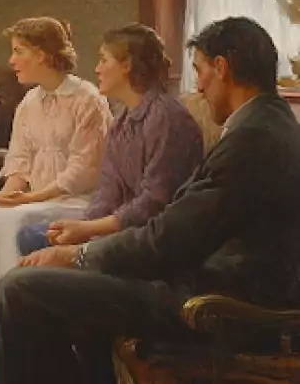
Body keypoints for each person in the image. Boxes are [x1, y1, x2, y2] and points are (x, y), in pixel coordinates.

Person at [0, 16, 300, 384]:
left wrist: (80, 254)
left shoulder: (253, 138)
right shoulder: (264, 124)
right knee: (44, 278)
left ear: (222, 68)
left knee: (22, 290)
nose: (199, 87)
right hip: (202, 281)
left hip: (221, 305)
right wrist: (88, 247)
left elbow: (172, 235)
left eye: (200, 71)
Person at [0, 17, 112, 360]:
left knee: (15, 221)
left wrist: (32, 198)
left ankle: (6, 322)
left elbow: (85, 168)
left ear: (44, 54)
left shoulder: (87, 100)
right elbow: (19, 157)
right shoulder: (30, 101)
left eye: (19, 52)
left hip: (76, 201)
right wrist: (11, 191)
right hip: (36, 194)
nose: (11, 61)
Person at [16, 23, 204, 255]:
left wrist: (88, 231)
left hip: (152, 240)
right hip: (121, 230)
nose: (97, 69)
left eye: (104, 60)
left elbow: (154, 203)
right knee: (31, 236)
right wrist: (82, 227)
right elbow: (108, 190)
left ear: (127, 65)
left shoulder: (167, 119)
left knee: (36, 245)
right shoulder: (122, 121)